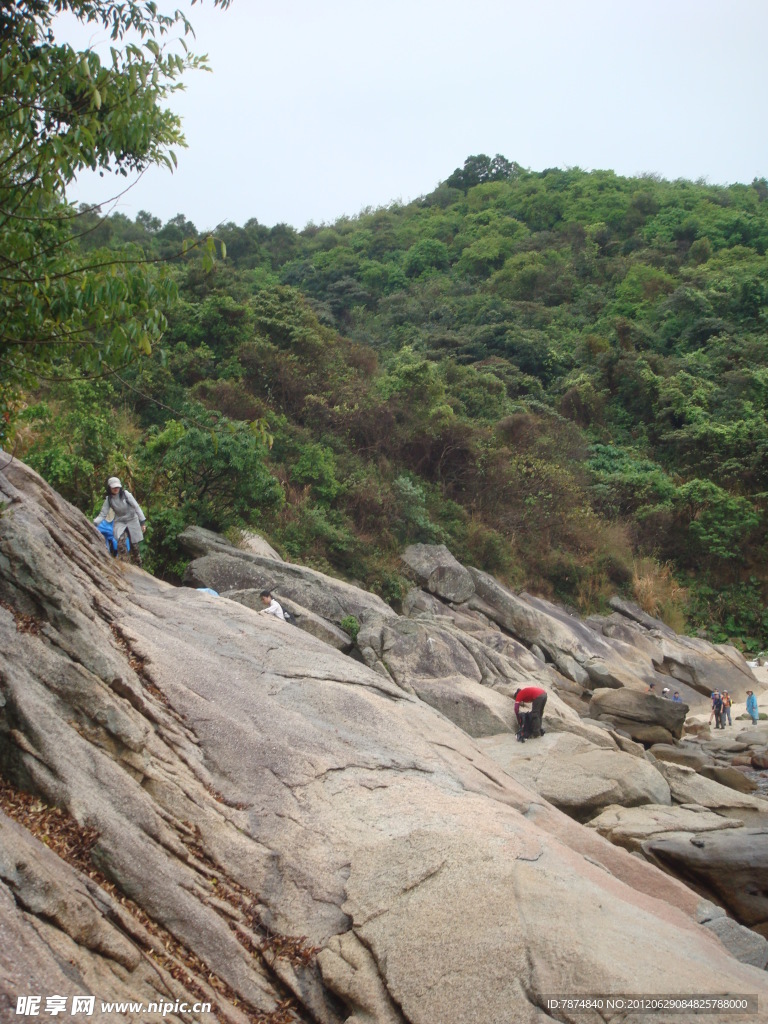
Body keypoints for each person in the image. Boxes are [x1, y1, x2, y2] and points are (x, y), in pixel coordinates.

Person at [93, 476, 146, 566]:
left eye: (117, 487)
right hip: (120, 521)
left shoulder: (126, 495)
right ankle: (125, 565)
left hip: (132, 519)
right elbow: (103, 514)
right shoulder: (109, 500)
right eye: (114, 487)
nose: (116, 489)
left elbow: (136, 507)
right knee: (121, 543)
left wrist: (142, 522)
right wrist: (94, 523)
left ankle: (138, 565)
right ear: (109, 488)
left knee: (135, 546)